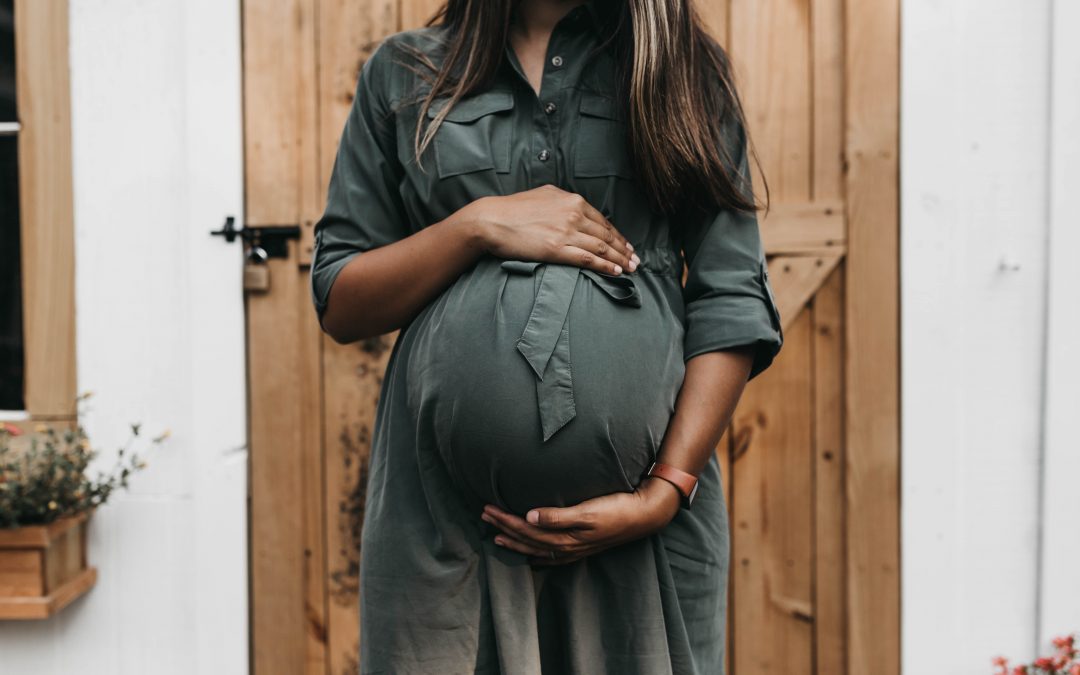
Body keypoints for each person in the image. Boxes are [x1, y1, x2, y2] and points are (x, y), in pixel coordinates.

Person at [309, 0, 783, 672]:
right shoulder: (405, 72)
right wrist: (475, 225)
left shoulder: (682, 70)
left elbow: (731, 296)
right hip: (447, 532)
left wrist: (664, 492)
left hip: (642, 533)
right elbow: (341, 299)